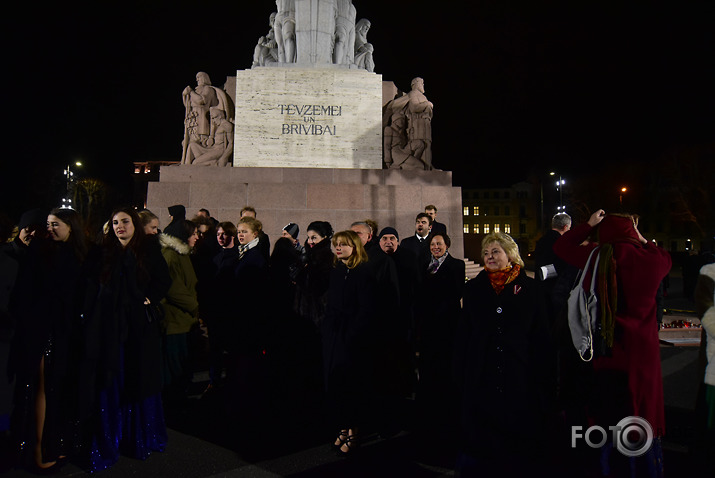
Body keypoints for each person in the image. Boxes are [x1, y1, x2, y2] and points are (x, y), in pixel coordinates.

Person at [554, 210, 672, 477]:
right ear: (631, 231)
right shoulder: (651, 260)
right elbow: (665, 257)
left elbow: (561, 246)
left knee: (606, 417)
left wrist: (588, 225)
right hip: (642, 353)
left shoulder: (596, 257)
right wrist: (641, 238)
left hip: (606, 350)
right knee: (641, 413)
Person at [79, 207, 171, 472]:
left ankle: (139, 436)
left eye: (125, 222)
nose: (120, 226)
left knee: (138, 378)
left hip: (138, 328)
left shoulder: (149, 249)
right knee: (112, 379)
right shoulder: (103, 252)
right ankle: (111, 438)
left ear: (135, 225)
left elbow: (163, 280)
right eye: (115, 222)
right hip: (109, 328)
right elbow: (89, 284)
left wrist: (148, 298)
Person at [454, 232, 550, 476]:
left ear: (510, 254)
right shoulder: (473, 289)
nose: (489, 257)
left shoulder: (531, 289)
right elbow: (465, 334)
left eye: (495, 251)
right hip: (482, 372)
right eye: (486, 253)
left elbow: (542, 336)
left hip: (519, 371)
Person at [8, 208, 87, 472]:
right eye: (48, 224)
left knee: (57, 389)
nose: (50, 229)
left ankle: (51, 444)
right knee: (41, 388)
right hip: (43, 329)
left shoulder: (80, 255)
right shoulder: (41, 252)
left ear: (70, 226)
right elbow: (26, 293)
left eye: (56, 224)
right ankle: (38, 449)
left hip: (67, 330)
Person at [322, 230, 374, 455]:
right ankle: (343, 427)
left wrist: (353, 332)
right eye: (336, 244)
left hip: (353, 338)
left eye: (343, 244)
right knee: (337, 385)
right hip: (334, 335)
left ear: (355, 247)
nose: (338, 248)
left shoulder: (364, 272)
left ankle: (354, 431)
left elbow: (367, 309)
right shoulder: (336, 271)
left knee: (353, 386)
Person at [415, 232, 465, 432]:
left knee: (446, 362)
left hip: (447, 322)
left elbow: (456, 292)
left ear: (447, 245)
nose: (436, 247)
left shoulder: (457, 265)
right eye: (433, 244)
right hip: (427, 323)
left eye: (439, 243)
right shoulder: (424, 265)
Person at [159, 219, 199, 403]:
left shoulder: (183, 255)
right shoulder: (171, 256)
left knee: (182, 367)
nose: (197, 237)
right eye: (194, 234)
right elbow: (174, 289)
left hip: (184, 321)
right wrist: (195, 307)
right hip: (175, 322)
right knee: (174, 369)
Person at [294, 221, 334, 328]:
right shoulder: (305, 258)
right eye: (308, 237)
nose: (310, 241)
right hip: (303, 315)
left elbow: (320, 288)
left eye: (314, 237)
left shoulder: (328, 259)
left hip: (319, 316)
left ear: (324, 238)